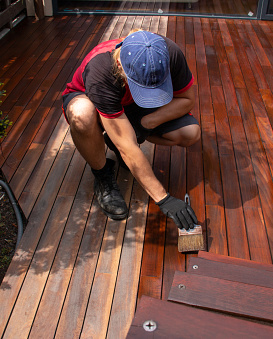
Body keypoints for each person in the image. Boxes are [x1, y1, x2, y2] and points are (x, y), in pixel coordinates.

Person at [62, 30, 199, 230]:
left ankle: (123, 135)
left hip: (132, 104)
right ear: (120, 65)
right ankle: (103, 176)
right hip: (92, 99)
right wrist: (164, 199)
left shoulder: (169, 53)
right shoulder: (101, 71)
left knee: (190, 133)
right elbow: (127, 146)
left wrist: (145, 123)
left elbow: (187, 100)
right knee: (82, 116)